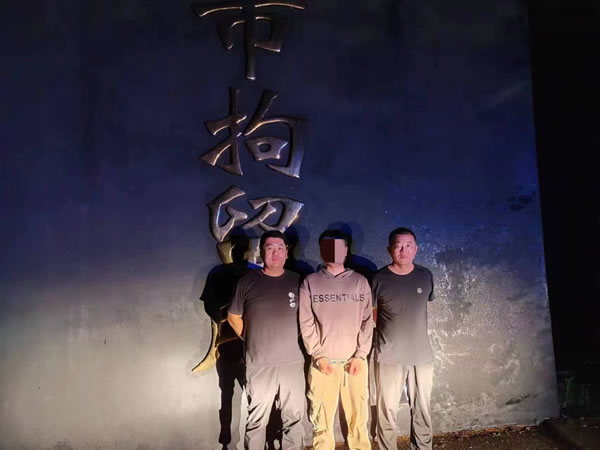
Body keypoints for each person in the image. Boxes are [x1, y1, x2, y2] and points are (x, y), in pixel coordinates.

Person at [227, 230, 305, 450]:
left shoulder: (298, 281)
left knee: (294, 419)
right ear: (261, 252)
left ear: (287, 253)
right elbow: (233, 316)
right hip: (260, 364)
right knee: (256, 421)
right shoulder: (247, 282)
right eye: (270, 248)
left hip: (292, 362)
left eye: (280, 248)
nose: (275, 253)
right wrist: (250, 336)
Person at [299, 229, 373, 450]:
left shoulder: (360, 282)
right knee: (321, 423)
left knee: (359, 421)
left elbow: (367, 321)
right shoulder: (310, 282)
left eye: (338, 247)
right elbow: (306, 322)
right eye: (327, 247)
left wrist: (360, 355)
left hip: (355, 363)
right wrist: (318, 355)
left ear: (346, 250)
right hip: (323, 364)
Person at [373, 227, 435, 450]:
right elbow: (372, 315)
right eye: (398, 245)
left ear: (416, 249)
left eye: (409, 245)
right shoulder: (378, 279)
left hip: (421, 356)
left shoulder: (425, 276)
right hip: (389, 356)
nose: (403, 250)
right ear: (389, 249)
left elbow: (424, 307)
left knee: (422, 410)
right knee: (387, 411)